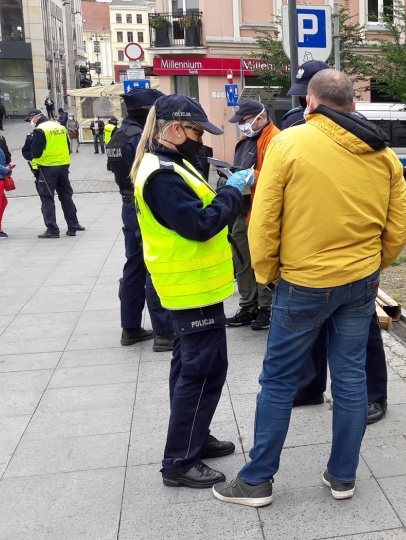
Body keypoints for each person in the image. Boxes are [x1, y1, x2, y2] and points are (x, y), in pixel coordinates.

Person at [212, 69, 406, 507]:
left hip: (302, 281)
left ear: (310, 103)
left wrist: (268, 274)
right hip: (359, 282)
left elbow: (263, 220)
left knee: (279, 382)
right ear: (353, 105)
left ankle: (257, 481)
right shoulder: (382, 154)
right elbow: (402, 225)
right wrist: (376, 262)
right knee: (350, 379)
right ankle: (343, 476)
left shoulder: (290, 142)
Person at [130, 93, 253, 489]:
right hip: (188, 289)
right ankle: (180, 460)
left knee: (189, 366)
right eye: (197, 131)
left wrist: (220, 182)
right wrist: (233, 192)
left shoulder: (171, 163)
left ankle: (194, 437)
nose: (202, 139)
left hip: (193, 286)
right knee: (202, 371)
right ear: (176, 129)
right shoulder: (162, 176)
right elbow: (199, 225)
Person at [281, 64, 391, 423]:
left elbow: (397, 217)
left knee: (364, 334)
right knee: (314, 329)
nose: (301, 100)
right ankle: (311, 386)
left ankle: (375, 396)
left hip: (352, 258)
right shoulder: (294, 127)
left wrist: (375, 261)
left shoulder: (366, 136)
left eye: (304, 93)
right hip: (310, 254)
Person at [107, 87, 174, 352]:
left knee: (133, 267)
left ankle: (130, 327)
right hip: (144, 206)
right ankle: (164, 332)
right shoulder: (140, 138)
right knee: (153, 266)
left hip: (128, 205)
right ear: (148, 110)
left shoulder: (118, 135)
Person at [224, 98, 279, 331]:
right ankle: (248, 305)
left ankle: (266, 308)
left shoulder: (275, 139)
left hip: (260, 210)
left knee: (261, 259)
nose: (242, 126)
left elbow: (277, 174)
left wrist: (253, 175)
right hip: (242, 208)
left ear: (260, 118)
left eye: (245, 121)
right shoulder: (247, 139)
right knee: (243, 260)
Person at [22, 108, 84, 239]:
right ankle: (73, 226)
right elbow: (67, 146)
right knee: (66, 196)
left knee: (47, 198)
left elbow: (36, 152)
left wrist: (31, 155)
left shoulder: (40, 130)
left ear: (36, 117)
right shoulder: (59, 126)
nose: (31, 122)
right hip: (63, 166)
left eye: (30, 119)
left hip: (47, 168)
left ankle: (52, 229)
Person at [280, 59, 330, 129]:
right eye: (302, 94)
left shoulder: (343, 119)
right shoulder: (292, 120)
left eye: (307, 93)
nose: (305, 98)